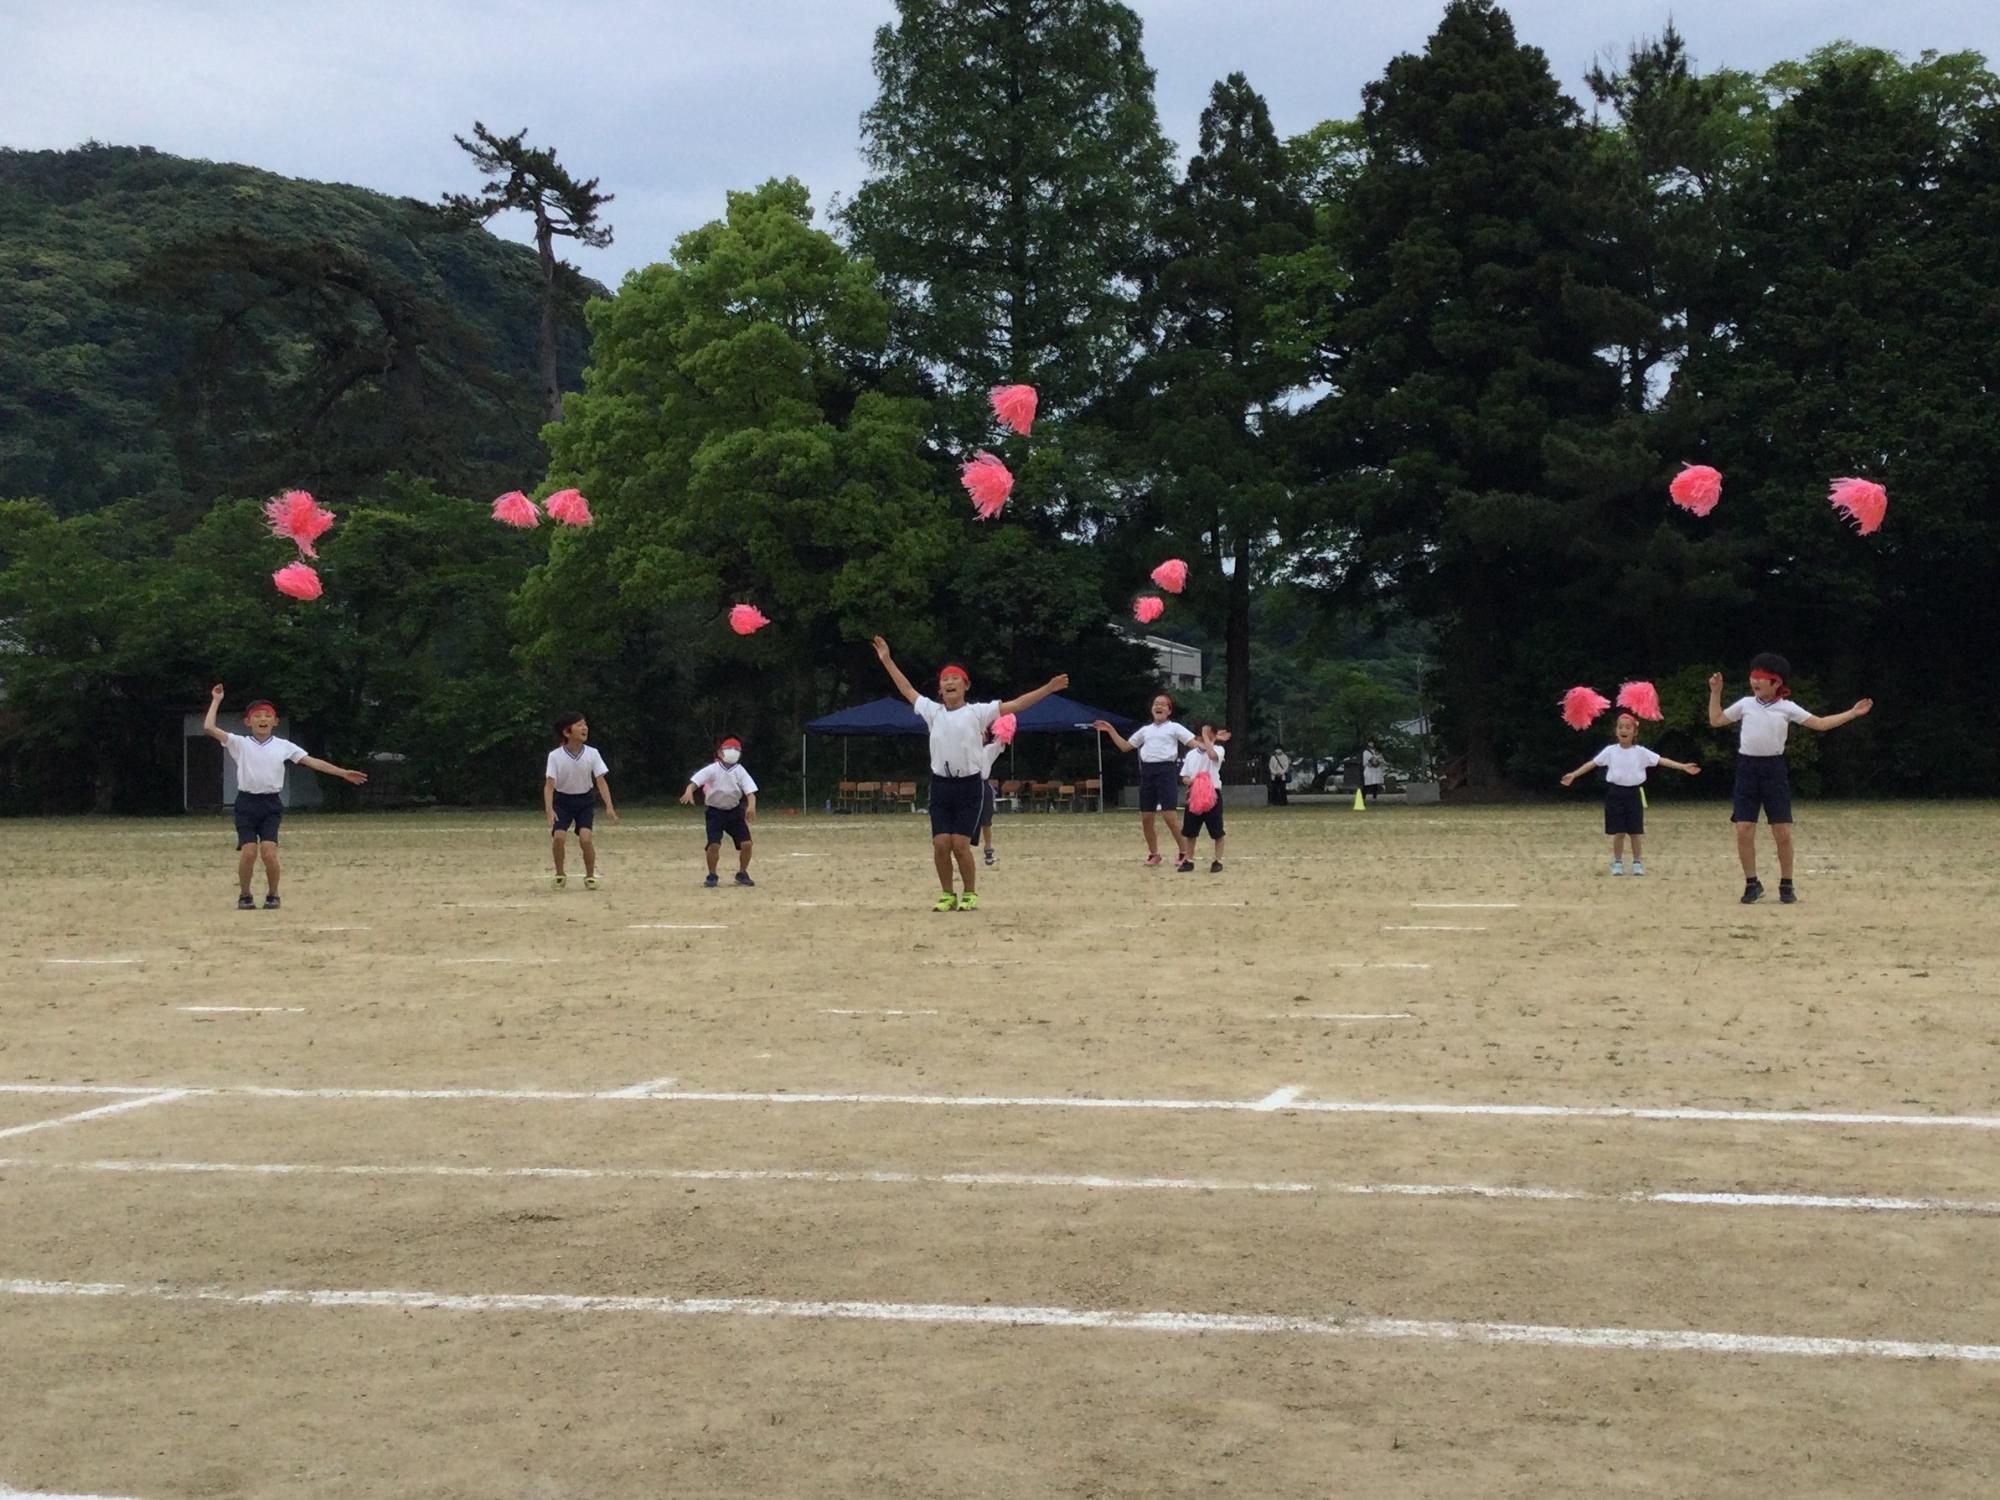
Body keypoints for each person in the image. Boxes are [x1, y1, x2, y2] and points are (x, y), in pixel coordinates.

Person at [873, 637, 1067, 911]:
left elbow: (1017, 704)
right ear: (940, 689)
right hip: (941, 785)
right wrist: (887, 660)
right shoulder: (933, 711)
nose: (949, 682)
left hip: (969, 787)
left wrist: (1048, 688)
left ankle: (970, 893)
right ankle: (947, 894)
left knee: (960, 844)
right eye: (945, 679)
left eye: (955, 678)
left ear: (966, 685)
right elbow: (906, 689)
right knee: (941, 843)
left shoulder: (978, 712)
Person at [1707, 653, 1872, 904]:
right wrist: (1716, 692)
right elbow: (1716, 720)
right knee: (1743, 829)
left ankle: (1787, 883)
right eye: (1753, 677)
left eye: (1762, 679)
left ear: (1776, 683)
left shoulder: (1787, 707)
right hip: (1747, 768)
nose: (1756, 682)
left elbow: (1821, 724)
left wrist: (1852, 713)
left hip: (1773, 770)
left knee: (1781, 830)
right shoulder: (1745, 704)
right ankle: (1752, 883)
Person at [202, 684, 367, 910]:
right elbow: (209, 727)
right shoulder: (239, 743)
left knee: (269, 853)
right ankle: (245, 895)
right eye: (257, 716)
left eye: (267, 715)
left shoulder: (283, 746)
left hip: (270, 804)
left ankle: (273, 894)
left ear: (275, 721)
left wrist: (342, 773)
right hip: (246, 803)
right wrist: (216, 700)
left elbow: (312, 762)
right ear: (248, 722)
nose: (262, 719)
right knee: (249, 853)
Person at [1092, 695, 1229, 866]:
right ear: (1151, 709)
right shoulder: (1145, 730)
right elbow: (1125, 746)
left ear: (1169, 711)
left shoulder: (1174, 727)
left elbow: (1194, 743)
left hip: (1166, 771)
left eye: (1163, 705)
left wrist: (1213, 739)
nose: (1159, 707)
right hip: (1148, 772)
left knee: (1169, 815)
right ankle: (1153, 854)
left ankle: (1184, 853)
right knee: (1146, 817)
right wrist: (1111, 730)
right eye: (1156, 704)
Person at [1559, 710, 1700, 875]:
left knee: (1635, 832)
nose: (1624, 730)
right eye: (1620, 727)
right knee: (1618, 832)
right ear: (1616, 731)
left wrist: (1683, 766)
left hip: (1633, 794)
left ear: (1635, 732)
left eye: (1627, 727)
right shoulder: (1610, 751)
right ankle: (1617, 863)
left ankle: (1637, 863)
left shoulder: (1641, 752)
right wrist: (1574, 775)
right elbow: (1592, 763)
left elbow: (1662, 760)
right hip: (1615, 794)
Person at [544, 712, 617, 890]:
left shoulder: (593, 753)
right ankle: (560, 873)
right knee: (559, 837)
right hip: (562, 802)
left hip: (585, 801)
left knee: (585, 839)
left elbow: (600, 780)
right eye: (579, 725)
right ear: (567, 732)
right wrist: (549, 810)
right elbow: (549, 786)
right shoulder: (555, 756)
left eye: (585, 724)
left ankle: (590, 876)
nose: (584, 728)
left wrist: (609, 806)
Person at [680, 736, 757, 888]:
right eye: (729, 749)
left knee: (747, 844)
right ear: (720, 753)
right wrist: (689, 791)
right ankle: (712, 875)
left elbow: (750, 792)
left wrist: (751, 806)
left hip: (734, 812)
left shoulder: (740, 771)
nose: (732, 752)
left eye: (736, 750)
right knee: (714, 845)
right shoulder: (712, 769)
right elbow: (695, 782)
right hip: (715, 812)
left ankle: (742, 873)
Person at [1178, 724, 1227, 873]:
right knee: (1190, 831)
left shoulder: (1218, 750)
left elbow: (1212, 756)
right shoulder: (1191, 755)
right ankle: (1189, 859)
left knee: (1217, 830)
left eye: (1207, 733)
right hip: (1194, 795)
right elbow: (1184, 776)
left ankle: (1217, 860)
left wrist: (1209, 739)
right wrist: (1189, 781)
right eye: (1201, 734)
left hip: (1212, 793)